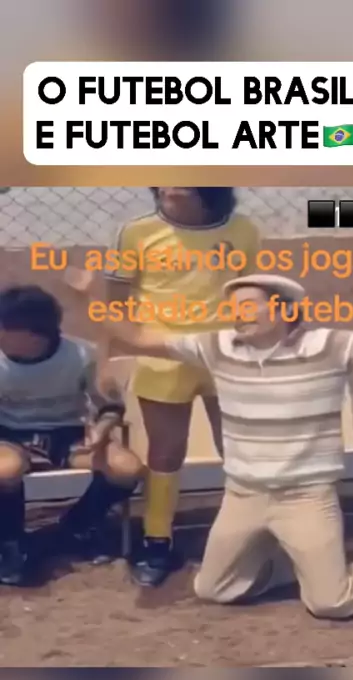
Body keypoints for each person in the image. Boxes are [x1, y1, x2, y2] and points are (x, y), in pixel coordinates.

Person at [66, 266, 353, 618]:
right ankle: (304, 566)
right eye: (232, 308)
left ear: (283, 310)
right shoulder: (216, 346)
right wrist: (90, 297)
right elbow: (136, 339)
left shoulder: (331, 345)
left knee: (332, 603)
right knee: (215, 589)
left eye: (248, 306)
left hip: (307, 497)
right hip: (243, 495)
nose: (237, 315)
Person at [100, 187, 260, 585]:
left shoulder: (243, 230)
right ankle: (157, 540)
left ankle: (247, 534)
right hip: (163, 357)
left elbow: (251, 296)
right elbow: (115, 303)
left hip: (227, 354)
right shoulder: (135, 232)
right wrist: (107, 360)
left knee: (238, 449)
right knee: (166, 451)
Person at [0, 286, 143, 586]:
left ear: (33, 334)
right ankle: (11, 544)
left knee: (126, 468)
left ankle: (75, 527)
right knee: (5, 468)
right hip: (10, 435)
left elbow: (110, 405)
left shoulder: (82, 355)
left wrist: (102, 430)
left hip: (66, 435)